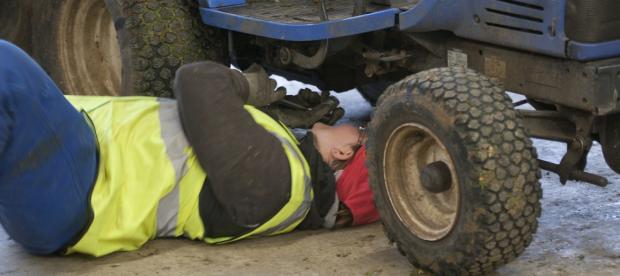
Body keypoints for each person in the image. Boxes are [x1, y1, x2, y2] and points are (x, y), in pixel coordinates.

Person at [0, 40, 380, 257]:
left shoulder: (280, 182)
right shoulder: (284, 173)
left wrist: (252, 88)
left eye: (359, 130)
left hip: (82, 189)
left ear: (345, 153)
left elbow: (196, 80)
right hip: (70, 183)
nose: (351, 123)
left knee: (7, 69)